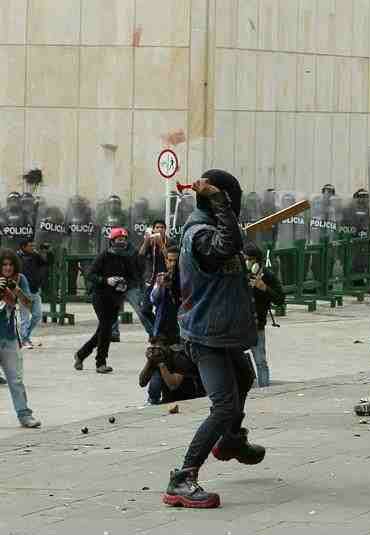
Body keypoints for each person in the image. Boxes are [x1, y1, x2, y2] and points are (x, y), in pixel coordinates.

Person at [163, 170, 264, 509]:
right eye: (230, 201)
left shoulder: (216, 228)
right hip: (206, 336)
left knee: (245, 377)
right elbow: (224, 246)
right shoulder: (202, 234)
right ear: (223, 201)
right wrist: (222, 206)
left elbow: (231, 245)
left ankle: (231, 441)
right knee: (224, 406)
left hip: (220, 332)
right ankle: (183, 478)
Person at [74, 228, 139, 374]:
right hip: (101, 297)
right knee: (106, 329)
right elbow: (90, 274)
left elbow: (133, 277)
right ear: (112, 241)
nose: (121, 242)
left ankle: (81, 354)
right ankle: (100, 362)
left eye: (124, 240)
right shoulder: (103, 256)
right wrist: (106, 280)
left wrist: (124, 283)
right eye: (118, 240)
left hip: (116, 298)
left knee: (104, 330)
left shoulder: (126, 258)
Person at [0, 249, 40, 428]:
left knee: (15, 379)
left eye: (10, 265)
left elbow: (28, 304)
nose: (8, 268)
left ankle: (24, 414)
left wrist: (15, 289)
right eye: (4, 265)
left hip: (8, 337)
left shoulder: (20, 279)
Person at [244, 242, 284, 388]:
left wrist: (264, 288)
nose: (247, 262)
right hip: (238, 324)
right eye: (245, 258)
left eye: (250, 259)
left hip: (256, 325)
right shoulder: (240, 273)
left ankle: (265, 391)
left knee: (260, 361)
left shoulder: (266, 275)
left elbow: (280, 299)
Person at [145, 246, 181, 405]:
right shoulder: (161, 278)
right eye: (169, 260)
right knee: (157, 368)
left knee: (176, 369)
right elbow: (154, 299)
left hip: (180, 333)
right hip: (161, 334)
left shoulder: (186, 278)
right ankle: (152, 398)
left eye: (175, 261)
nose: (172, 264)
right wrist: (161, 286)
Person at [139, 340, 205, 404]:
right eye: (153, 348)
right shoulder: (156, 358)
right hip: (169, 400)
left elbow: (173, 385)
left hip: (190, 399)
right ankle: (153, 400)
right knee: (155, 379)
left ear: (167, 347)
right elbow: (142, 383)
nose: (155, 351)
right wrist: (149, 361)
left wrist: (162, 365)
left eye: (158, 348)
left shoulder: (179, 358)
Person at [16, 239, 47, 349]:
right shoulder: (16, 258)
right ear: (23, 247)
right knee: (25, 318)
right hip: (23, 292)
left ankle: (24, 337)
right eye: (30, 246)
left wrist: (46, 251)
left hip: (35, 290)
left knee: (37, 315)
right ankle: (24, 340)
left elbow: (46, 263)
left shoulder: (35, 256)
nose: (32, 248)